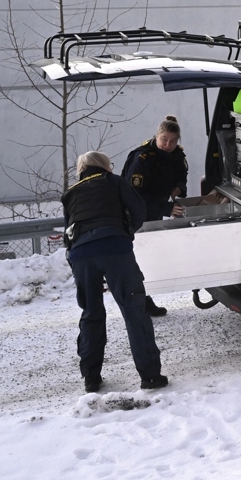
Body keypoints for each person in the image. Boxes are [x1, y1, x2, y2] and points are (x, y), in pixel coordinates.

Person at [62, 151, 169, 393]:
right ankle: (150, 376)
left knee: (91, 313)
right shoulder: (114, 181)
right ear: (104, 166)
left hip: (81, 255)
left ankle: (91, 378)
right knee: (134, 310)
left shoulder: (70, 193)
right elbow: (139, 210)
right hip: (114, 248)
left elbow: (68, 231)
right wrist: (125, 232)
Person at [122, 115, 189, 317]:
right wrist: (166, 209)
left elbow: (182, 174)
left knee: (149, 259)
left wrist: (179, 187)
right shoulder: (142, 159)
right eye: (164, 140)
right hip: (136, 216)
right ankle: (139, 303)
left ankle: (144, 300)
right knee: (139, 260)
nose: (168, 145)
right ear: (156, 136)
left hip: (154, 212)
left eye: (173, 141)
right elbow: (135, 197)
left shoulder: (176, 154)